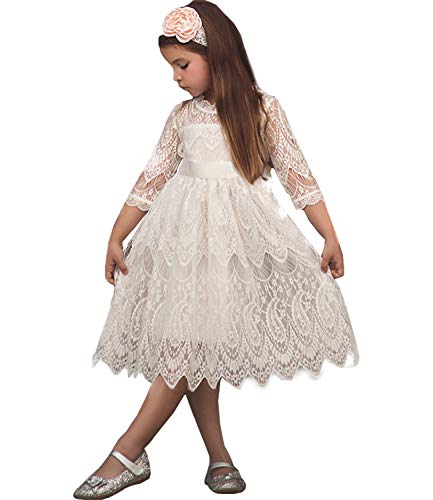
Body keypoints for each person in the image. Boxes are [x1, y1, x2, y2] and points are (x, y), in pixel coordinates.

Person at [73, 1, 360, 497]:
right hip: (184, 245)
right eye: (172, 67)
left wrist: (328, 234)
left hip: (233, 246)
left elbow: (297, 174)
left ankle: (128, 451)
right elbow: (152, 177)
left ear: (216, 55)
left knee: (192, 346)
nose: (176, 77)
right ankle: (217, 457)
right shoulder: (182, 117)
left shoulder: (261, 109)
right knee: (193, 347)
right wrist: (116, 234)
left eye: (182, 65)